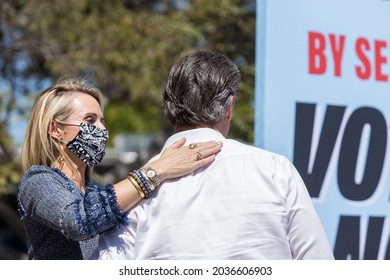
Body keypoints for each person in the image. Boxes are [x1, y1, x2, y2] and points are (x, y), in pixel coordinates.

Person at [95, 51, 335, 260]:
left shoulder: (134, 191)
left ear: (168, 108)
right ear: (229, 107)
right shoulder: (275, 170)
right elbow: (317, 262)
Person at [16, 77, 222, 260]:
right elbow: (78, 221)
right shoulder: (37, 181)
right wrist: (155, 170)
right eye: (90, 120)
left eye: (101, 121)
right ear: (55, 130)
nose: (102, 129)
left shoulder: (94, 190)